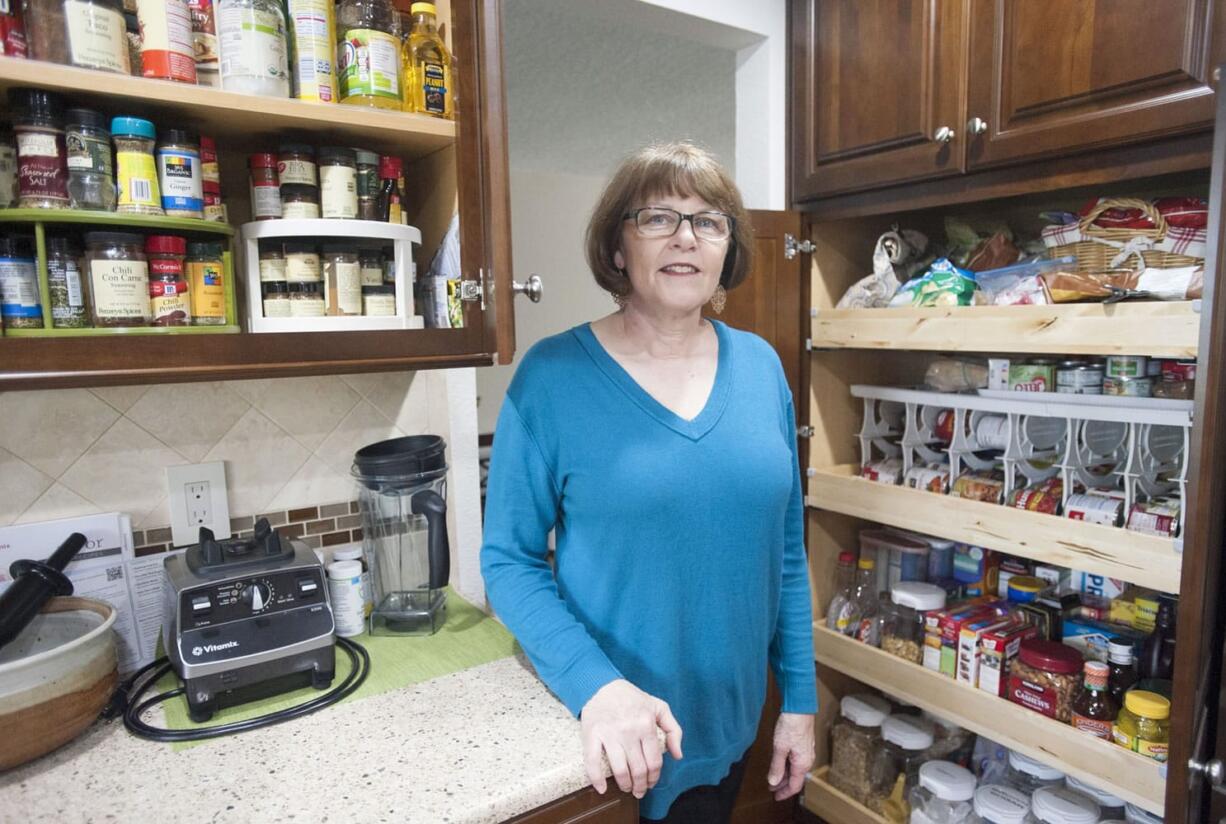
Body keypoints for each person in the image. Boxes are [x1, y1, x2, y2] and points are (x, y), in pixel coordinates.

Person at [480, 141, 817, 823]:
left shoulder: (761, 368)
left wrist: (801, 703)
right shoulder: (552, 378)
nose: (685, 237)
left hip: (730, 725)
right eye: (657, 218)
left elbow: (784, 552)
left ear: (728, 248)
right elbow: (508, 561)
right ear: (616, 248)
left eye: (709, 220)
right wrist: (597, 688)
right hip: (612, 740)